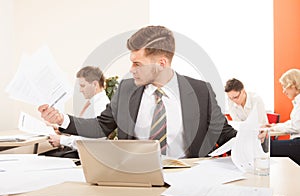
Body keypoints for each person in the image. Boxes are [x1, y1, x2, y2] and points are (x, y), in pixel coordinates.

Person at [38, 25, 236, 158]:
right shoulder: (126, 90)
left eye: (137, 64)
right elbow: (101, 126)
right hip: (136, 179)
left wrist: (256, 140)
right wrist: (61, 120)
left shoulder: (200, 91)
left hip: (187, 177)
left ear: (161, 63)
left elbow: (225, 134)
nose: (131, 69)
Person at [44, 66, 110, 158]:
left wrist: (62, 140)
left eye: (83, 86)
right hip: (79, 151)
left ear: (95, 84)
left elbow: (94, 139)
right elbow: (85, 130)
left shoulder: (102, 105)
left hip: (86, 155)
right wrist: (62, 131)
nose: (80, 90)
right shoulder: (92, 104)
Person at [270, 68, 300, 165]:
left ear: (293, 85)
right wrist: (274, 126)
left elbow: (295, 127)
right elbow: (294, 122)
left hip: (298, 144)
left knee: (266, 147)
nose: (283, 91)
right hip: (296, 142)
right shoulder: (297, 102)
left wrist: (275, 127)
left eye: (284, 87)